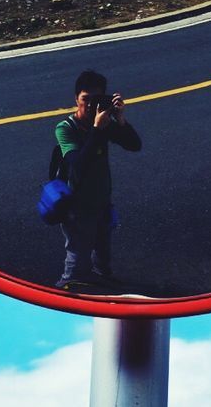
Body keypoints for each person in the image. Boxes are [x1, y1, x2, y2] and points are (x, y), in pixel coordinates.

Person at [55, 69, 141, 290]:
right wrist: (96, 129)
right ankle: (69, 289)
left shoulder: (104, 124)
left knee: (103, 249)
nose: (90, 105)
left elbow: (134, 145)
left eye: (96, 99)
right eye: (86, 99)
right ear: (76, 99)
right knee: (77, 255)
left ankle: (103, 278)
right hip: (77, 204)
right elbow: (76, 166)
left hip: (102, 200)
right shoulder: (66, 129)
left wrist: (120, 120)